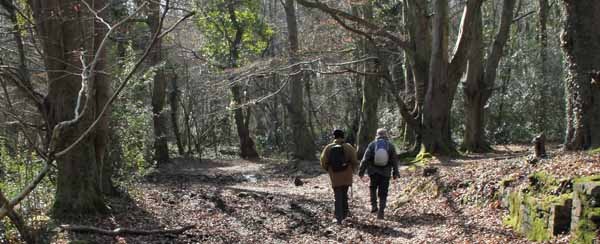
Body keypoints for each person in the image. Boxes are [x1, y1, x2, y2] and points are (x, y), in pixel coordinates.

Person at [358, 128, 400, 220]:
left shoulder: (372, 145)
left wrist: (361, 172)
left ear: (377, 135)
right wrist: (395, 173)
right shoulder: (390, 146)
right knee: (383, 192)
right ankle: (381, 211)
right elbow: (394, 161)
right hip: (385, 173)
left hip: (373, 172)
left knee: (373, 188)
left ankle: (374, 206)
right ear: (386, 135)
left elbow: (365, 159)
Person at [320, 129, 359, 225]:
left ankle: (338, 217)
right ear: (343, 136)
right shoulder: (349, 147)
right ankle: (345, 215)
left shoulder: (328, 148)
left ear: (334, 137)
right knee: (344, 194)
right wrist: (352, 169)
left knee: (337, 195)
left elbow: (323, 161)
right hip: (346, 175)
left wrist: (329, 169)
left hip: (334, 175)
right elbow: (354, 160)